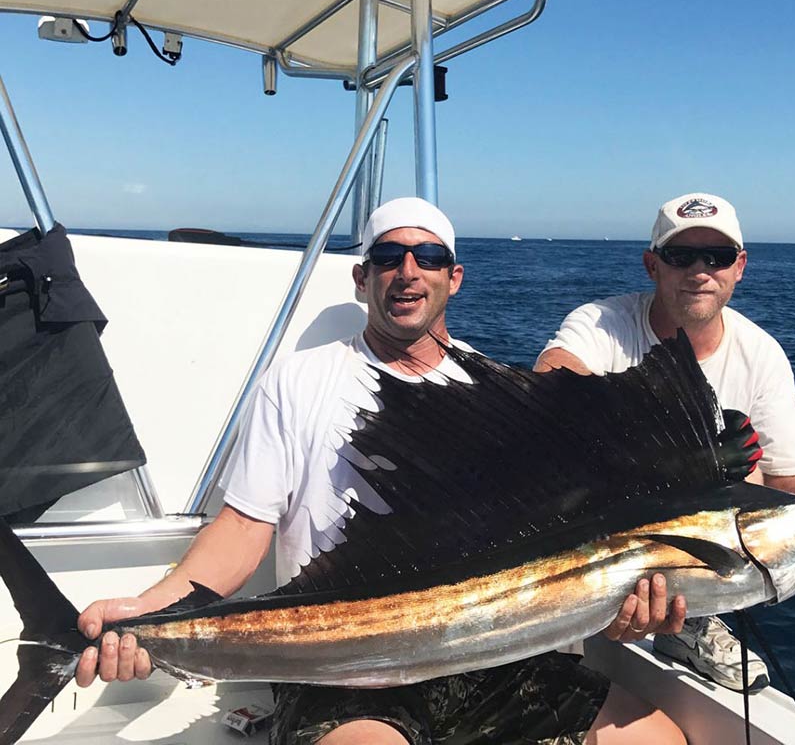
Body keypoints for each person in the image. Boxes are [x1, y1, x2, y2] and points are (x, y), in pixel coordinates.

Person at [74, 198, 688, 745]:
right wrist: (146, 610)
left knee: (661, 738)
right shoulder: (299, 381)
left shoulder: (499, 392)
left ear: (455, 277)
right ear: (362, 278)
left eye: (427, 256)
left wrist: (622, 609)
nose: (408, 270)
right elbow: (240, 533)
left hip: (486, 649)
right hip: (341, 658)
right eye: (390, 255)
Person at [534, 192, 795, 693]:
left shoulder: (761, 354)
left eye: (716, 258)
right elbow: (552, 379)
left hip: (677, 562)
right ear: (653, 265)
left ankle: (690, 621)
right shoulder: (602, 322)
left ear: (740, 268)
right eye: (680, 255)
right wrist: (674, 453)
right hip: (580, 538)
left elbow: (786, 481)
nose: (699, 271)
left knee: (778, 509)